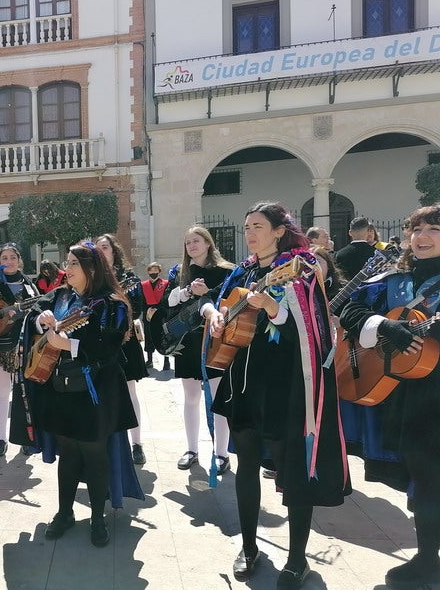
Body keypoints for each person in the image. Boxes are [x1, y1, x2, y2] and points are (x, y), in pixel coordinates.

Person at [201, 202, 350, 589]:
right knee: (246, 463)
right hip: (243, 384)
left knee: (295, 470)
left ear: (279, 230)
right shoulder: (244, 269)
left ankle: (297, 559)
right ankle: (249, 546)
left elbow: (313, 329)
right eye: (246, 225)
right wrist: (213, 314)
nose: (250, 232)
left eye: (258, 226)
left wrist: (274, 309)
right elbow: (218, 303)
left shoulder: (301, 268)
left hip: (286, 386)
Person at [339, 205, 440, 589]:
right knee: (423, 476)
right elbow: (349, 306)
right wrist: (383, 324)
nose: (423, 237)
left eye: (433, 229)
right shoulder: (394, 281)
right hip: (407, 394)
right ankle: (428, 557)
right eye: (416, 229)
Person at [24, 241, 141, 547]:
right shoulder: (62, 295)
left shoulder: (111, 302)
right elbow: (35, 311)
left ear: (92, 268)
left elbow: (111, 347)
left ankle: (98, 517)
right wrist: (43, 318)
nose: (68, 269)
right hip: (62, 388)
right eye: (67, 263)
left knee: (94, 453)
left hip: (96, 391)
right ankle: (65, 513)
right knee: (69, 452)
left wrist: (70, 346)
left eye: (74, 263)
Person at [165, 227, 233, 474]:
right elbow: (168, 303)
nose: (191, 245)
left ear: (208, 243)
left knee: (217, 398)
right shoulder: (179, 272)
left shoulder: (226, 271)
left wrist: (208, 294)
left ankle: (221, 453)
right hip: (188, 341)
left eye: (196, 240)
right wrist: (185, 292)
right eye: (188, 242)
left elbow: (232, 301)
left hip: (216, 339)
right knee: (190, 396)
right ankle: (192, 449)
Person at [96, 234, 148, 465]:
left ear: (114, 251)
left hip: (124, 343)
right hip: (97, 345)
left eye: (105, 248)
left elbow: (137, 309)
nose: (101, 252)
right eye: (97, 249)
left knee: (130, 393)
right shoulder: (92, 278)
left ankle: (136, 444)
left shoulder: (129, 278)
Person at [0, 243, 39, 457]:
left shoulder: (29, 284)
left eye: (12, 257)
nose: (9, 262)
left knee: (23, 392)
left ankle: (25, 437)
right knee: (2, 392)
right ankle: (1, 438)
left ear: (19, 260)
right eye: (4, 258)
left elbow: (37, 309)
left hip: (22, 343)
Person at [140, 261, 170, 371]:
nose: (153, 272)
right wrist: (147, 310)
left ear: (159, 271)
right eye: (151, 270)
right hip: (148, 313)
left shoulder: (166, 284)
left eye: (155, 270)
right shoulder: (143, 285)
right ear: (148, 272)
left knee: (164, 336)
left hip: (161, 313)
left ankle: (166, 361)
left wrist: (158, 309)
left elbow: (167, 299)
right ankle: (150, 360)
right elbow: (141, 300)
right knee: (149, 336)